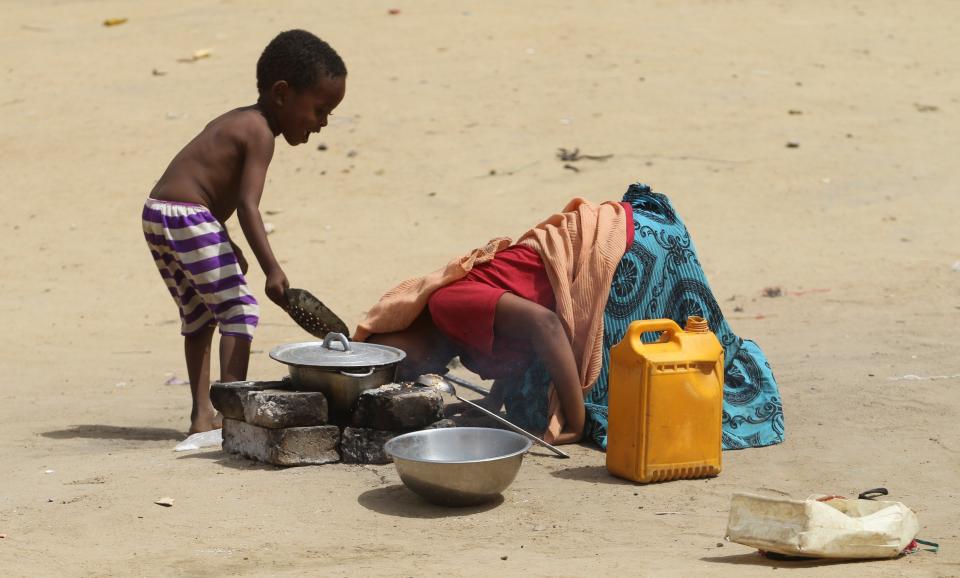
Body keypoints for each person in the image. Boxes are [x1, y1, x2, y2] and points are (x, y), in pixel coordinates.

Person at [359, 183, 784, 449]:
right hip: (633, 240)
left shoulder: (445, 306)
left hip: (627, 251)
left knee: (626, 398)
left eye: (394, 358)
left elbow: (543, 325)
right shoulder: (450, 326)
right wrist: (494, 399)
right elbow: (520, 340)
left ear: (403, 324)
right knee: (543, 400)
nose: (408, 372)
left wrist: (576, 419)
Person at [142, 30, 347, 433]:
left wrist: (225, 240)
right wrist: (272, 268)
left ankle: (202, 417)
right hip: (187, 216)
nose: (321, 124)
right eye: (319, 110)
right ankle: (231, 417)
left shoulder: (238, 120)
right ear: (283, 93)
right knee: (240, 311)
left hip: (159, 213)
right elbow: (249, 204)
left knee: (200, 314)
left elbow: (212, 186)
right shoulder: (259, 133)